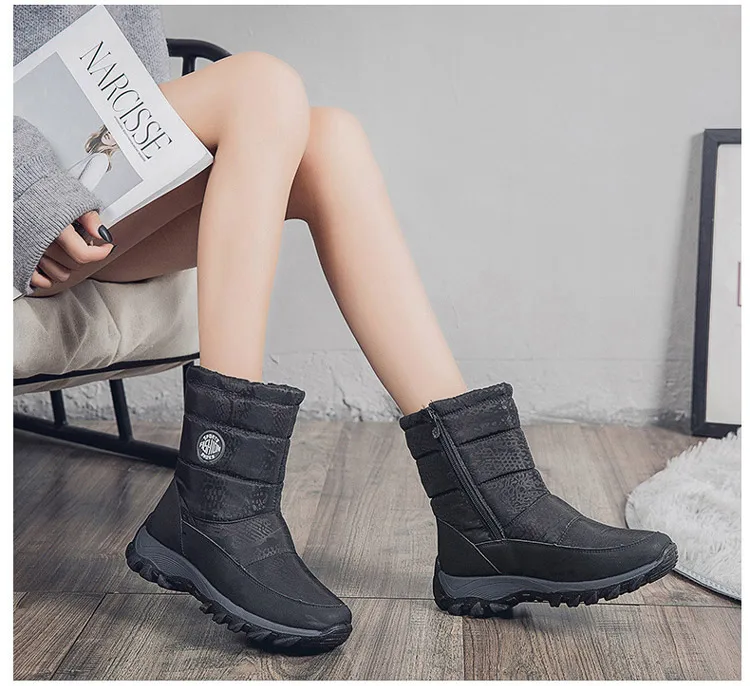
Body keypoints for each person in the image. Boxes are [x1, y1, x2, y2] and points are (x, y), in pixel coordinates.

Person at [14, 6, 677, 655]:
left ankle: (490, 507)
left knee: (331, 140)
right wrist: (33, 194)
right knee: (260, 84)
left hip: (104, 190)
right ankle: (217, 496)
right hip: (28, 187)